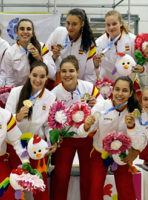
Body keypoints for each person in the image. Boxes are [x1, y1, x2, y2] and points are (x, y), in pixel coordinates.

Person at [94, 10, 148, 173]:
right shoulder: (99, 42)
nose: (111, 27)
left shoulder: (132, 39)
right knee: (108, 123)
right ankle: (108, 156)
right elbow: (97, 68)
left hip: (129, 88)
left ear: (121, 23)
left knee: (139, 119)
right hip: (108, 90)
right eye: (108, 24)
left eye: (114, 23)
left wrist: (141, 69)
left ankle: (147, 158)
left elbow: (142, 65)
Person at [82, 76, 143, 200]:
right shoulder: (101, 106)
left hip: (122, 153)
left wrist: (136, 150)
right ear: (112, 90)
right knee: (96, 187)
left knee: (126, 189)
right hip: (100, 152)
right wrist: (86, 125)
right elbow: (86, 129)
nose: (120, 94)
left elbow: (141, 139)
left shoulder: (135, 112)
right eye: (117, 89)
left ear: (131, 93)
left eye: (125, 90)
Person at [50, 55, 103, 200]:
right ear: (59, 73)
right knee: (61, 176)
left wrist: (95, 106)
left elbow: (102, 110)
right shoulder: (54, 93)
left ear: (78, 72)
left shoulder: (89, 88)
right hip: (65, 140)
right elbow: (50, 120)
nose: (67, 75)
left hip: (87, 138)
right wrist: (55, 137)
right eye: (64, 71)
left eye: (71, 71)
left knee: (88, 177)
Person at [5, 61, 57, 200]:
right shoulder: (16, 92)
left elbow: (49, 124)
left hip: (36, 147)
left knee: (40, 185)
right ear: (29, 74)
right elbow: (5, 119)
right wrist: (18, 117)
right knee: (16, 185)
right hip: (15, 145)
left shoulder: (50, 97)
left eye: (42, 76)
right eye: (34, 75)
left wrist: (52, 141)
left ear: (47, 78)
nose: (38, 80)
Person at [46, 8, 97, 89]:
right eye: (68, 23)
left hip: (77, 86)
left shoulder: (89, 43)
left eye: (74, 24)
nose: (70, 27)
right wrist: (53, 57)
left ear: (82, 24)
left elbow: (89, 73)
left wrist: (87, 91)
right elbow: (45, 57)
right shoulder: (58, 33)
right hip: (56, 84)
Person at [0, 19, 56, 88]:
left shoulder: (41, 47)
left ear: (32, 33)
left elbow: (52, 73)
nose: (25, 32)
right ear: (17, 32)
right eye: (22, 29)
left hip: (39, 89)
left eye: (28, 29)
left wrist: (40, 59)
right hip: (20, 90)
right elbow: (10, 79)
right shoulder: (10, 52)